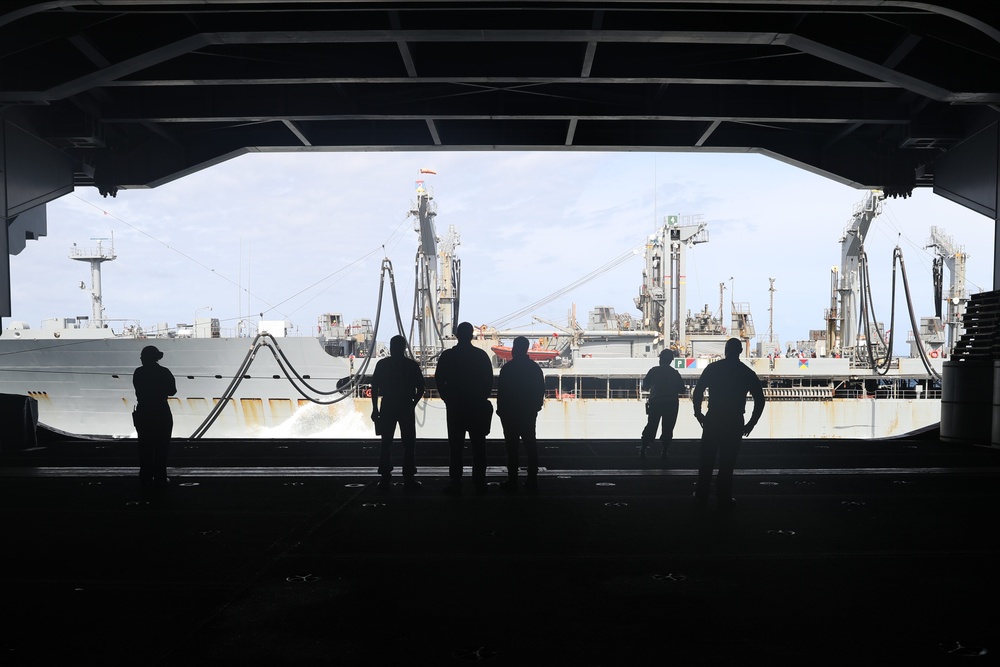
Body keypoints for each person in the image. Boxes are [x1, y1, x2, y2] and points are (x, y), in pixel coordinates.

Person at [692, 337, 765, 509]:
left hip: (713, 418)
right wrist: (751, 424)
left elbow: (698, 391)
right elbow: (760, 400)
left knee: (706, 460)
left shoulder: (713, 369)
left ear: (725, 350)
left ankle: (702, 494)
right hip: (734, 421)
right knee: (727, 462)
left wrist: (698, 414)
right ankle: (724, 496)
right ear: (740, 351)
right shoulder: (747, 372)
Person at [434, 321, 495, 495]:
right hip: (476, 407)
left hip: (456, 407)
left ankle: (455, 482)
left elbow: (439, 379)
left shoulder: (447, 356)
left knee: (455, 447)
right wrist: (481, 398)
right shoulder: (481, 356)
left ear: (457, 335)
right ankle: (480, 482)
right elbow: (488, 381)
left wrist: (447, 398)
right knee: (479, 447)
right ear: (471, 335)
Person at [370, 335, 425, 490]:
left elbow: (374, 388)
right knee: (409, 443)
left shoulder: (382, 364)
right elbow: (421, 388)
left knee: (386, 442)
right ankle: (409, 477)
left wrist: (375, 409)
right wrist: (413, 403)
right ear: (404, 348)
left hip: (387, 405)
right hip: (405, 405)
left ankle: (385, 477)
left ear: (392, 347)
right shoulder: (411, 365)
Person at [496, 336, 545, 490]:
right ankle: (532, 479)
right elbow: (540, 390)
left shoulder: (507, 369)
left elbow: (501, 392)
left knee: (511, 448)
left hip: (510, 413)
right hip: (528, 412)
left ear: (514, 349)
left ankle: (512, 480)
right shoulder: (534, 368)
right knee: (531, 446)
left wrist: (501, 410)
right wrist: (535, 407)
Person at [132, 345, 177, 488]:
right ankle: (160, 478)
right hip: (161, 411)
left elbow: (138, 389)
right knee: (161, 447)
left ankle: (145, 477)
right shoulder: (164, 372)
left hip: (144, 410)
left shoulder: (138, 372)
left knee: (144, 446)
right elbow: (172, 391)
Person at [640, 349, 687, 461]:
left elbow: (645, 386)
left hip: (656, 403)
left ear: (660, 359)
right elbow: (682, 390)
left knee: (651, 426)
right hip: (671, 404)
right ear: (671, 360)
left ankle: (643, 450)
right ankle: (664, 452)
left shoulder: (653, 371)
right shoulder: (675, 373)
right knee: (668, 428)